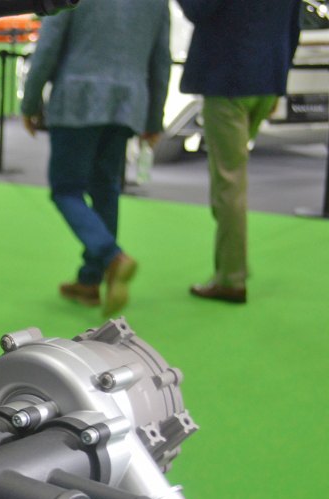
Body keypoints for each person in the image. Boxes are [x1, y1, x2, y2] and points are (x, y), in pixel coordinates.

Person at [22, 0, 171, 316]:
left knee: (66, 190)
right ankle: (90, 281)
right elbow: (161, 61)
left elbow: (48, 46)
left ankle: (111, 256)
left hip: (77, 99)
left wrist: (30, 102)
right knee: (106, 190)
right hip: (127, 105)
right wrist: (153, 120)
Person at [177, 0, 303, 304]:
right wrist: (279, 83)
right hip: (266, 79)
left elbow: (197, 10)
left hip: (228, 80)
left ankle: (231, 278)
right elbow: (293, 26)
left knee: (228, 183)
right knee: (234, 177)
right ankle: (232, 270)